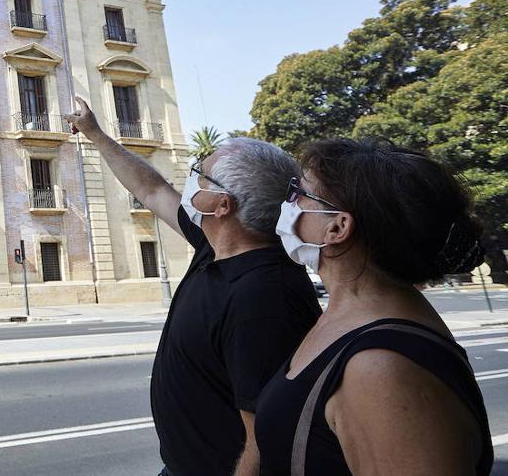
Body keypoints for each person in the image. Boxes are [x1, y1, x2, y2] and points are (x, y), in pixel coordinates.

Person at [65, 98, 320, 476]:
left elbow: (266, 439)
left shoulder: (263, 298)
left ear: (222, 205)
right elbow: (152, 191)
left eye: (201, 173)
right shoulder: (216, 245)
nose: (191, 177)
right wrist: (96, 135)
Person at [255, 138, 492, 475]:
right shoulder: (351, 315)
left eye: (300, 193)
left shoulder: (383, 368)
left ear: (337, 227)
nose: (288, 202)